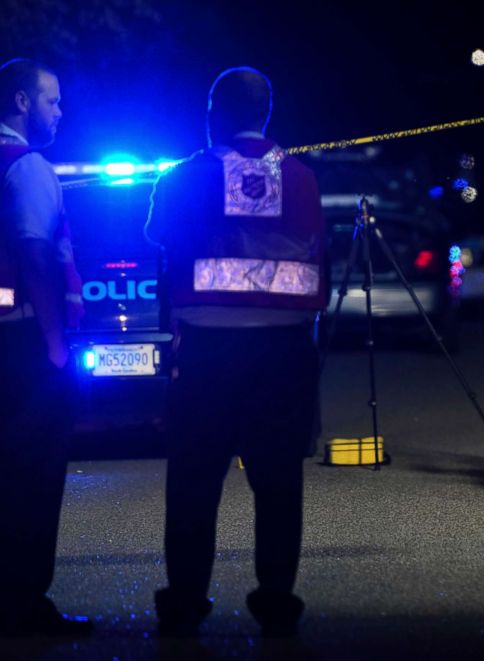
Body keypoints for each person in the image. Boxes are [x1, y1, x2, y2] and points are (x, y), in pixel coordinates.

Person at [145, 66, 326, 638]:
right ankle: (276, 599)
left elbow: (156, 237)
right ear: (266, 113)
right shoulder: (300, 176)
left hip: (207, 350)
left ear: (212, 114)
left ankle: (185, 601)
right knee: (277, 483)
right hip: (283, 350)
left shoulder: (185, 176)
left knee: (195, 480)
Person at [0, 58, 91, 637]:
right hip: (22, 344)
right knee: (34, 477)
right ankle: (26, 604)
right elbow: (36, 253)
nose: (60, 112)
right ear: (22, 102)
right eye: (52, 101)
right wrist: (57, 344)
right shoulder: (26, 165)